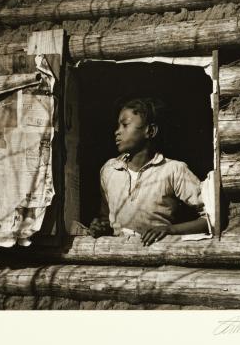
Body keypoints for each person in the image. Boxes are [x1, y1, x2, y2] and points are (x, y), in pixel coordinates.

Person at [89, 97, 212, 246]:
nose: (117, 132)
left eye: (125, 125)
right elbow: (106, 217)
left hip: (154, 257)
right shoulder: (110, 170)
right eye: (117, 126)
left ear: (150, 131)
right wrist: (100, 227)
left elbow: (211, 217)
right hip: (117, 258)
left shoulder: (173, 170)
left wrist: (170, 230)